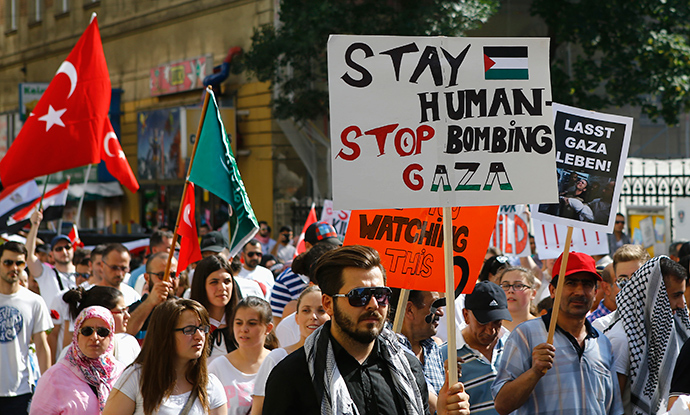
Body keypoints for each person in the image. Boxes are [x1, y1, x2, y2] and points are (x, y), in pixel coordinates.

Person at [263, 245, 470, 415]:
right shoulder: (292, 376)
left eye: (380, 295)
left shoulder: (409, 368)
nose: (373, 304)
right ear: (328, 304)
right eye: (359, 295)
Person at [492, 251, 623, 415]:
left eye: (587, 284)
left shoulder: (602, 343)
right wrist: (534, 372)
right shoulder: (526, 335)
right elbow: (501, 404)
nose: (579, 291)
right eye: (570, 283)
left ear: (595, 293)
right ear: (552, 290)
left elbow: (613, 409)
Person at [103, 298, 227, 415]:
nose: (199, 336)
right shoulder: (137, 377)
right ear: (165, 335)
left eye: (202, 328)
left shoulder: (210, 385)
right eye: (189, 329)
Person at [599, 257, 689, 414]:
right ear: (653, 295)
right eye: (676, 295)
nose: (682, 303)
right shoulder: (621, 338)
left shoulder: (668, 330)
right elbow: (612, 401)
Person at [31, 306, 125, 414]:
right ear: (77, 334)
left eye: (102, 332)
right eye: (87, 331)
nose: (94, 337)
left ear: (111, 335)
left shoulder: (121, 374)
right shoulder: (54, 377)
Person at [250, 285, 329, 415]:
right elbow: (258, 411)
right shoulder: (277, 358)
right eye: (306, 310)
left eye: (321, 311)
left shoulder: (340, 358)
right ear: (297, 318)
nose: (313, 316)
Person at [0, 241, 52, 414]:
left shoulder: (34, 302)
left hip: (21, 391)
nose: (14, 267)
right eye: (8, 262)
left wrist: (46, 386)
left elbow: (42, 346)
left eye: (19, 263)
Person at [446, 281, 512, 415]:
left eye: (497, 322)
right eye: (483, 322)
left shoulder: (513, 345)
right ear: (466, 315)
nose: (490, 330)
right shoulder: (445, 355)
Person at [208, 296, 276, 415]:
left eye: (252, 323)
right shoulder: (218, 367)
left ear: (268, 328)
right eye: (239, 323)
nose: (244, 329)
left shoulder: (276, 363)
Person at [269, 221, 341, 325]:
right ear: (308, 246)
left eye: (334, 246)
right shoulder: (285, 281)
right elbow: (278, 324)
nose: (331, 251)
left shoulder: (340, 275)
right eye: (326, 247)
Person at [62, 286, 141, 365]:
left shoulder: (129, 343)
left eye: (126, 310)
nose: (127, 316)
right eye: (121, 311)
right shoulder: (69, 355)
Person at [391, 289, 446, 400]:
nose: (441, 312)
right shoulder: (386, 348)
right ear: (410, 310)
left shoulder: (433, 348)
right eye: (435, 305)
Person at [190, 255, 242, 362]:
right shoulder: (188, 326)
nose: (222, 288)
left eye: (227, 281)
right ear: (201, 285)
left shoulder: (244, 323)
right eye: (214, 282)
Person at [26, 209, 77, 309]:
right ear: (52, 254)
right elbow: (28, 256)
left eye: (67, 247)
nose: (64, 252)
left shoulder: (82, 274)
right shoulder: (46, 273)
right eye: (59, 249)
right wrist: (35, 226)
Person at [126, 252, 178, 341]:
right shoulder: (132, 310)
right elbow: (126, 333)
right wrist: (150, 302)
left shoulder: (185, 308)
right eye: (161, 275)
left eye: (173, 275)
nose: (169, 280)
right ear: (147, 278)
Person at [496, 267, 538, 332]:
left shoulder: (543, 327)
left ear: (533, 293)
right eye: (506, 286)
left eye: (518, 286)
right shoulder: (491, 327)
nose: (510, 290)